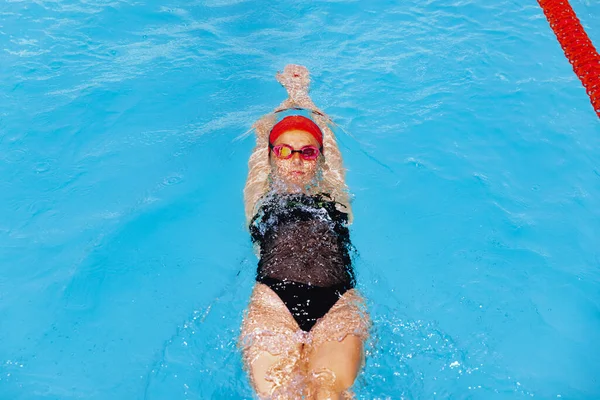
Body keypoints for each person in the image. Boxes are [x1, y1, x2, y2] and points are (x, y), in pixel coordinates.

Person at [240, 64, 370, 400]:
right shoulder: (261, 197)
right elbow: (260, 141)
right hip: (273, 302)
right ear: (273, 157)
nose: (296, 159)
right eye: (284, 151)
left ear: (318, 159)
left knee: (331, 395)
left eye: (307, 152)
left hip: (338, 303)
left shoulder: (333, 195)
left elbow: (332, 147)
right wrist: (287, 100)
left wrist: (305, 99)